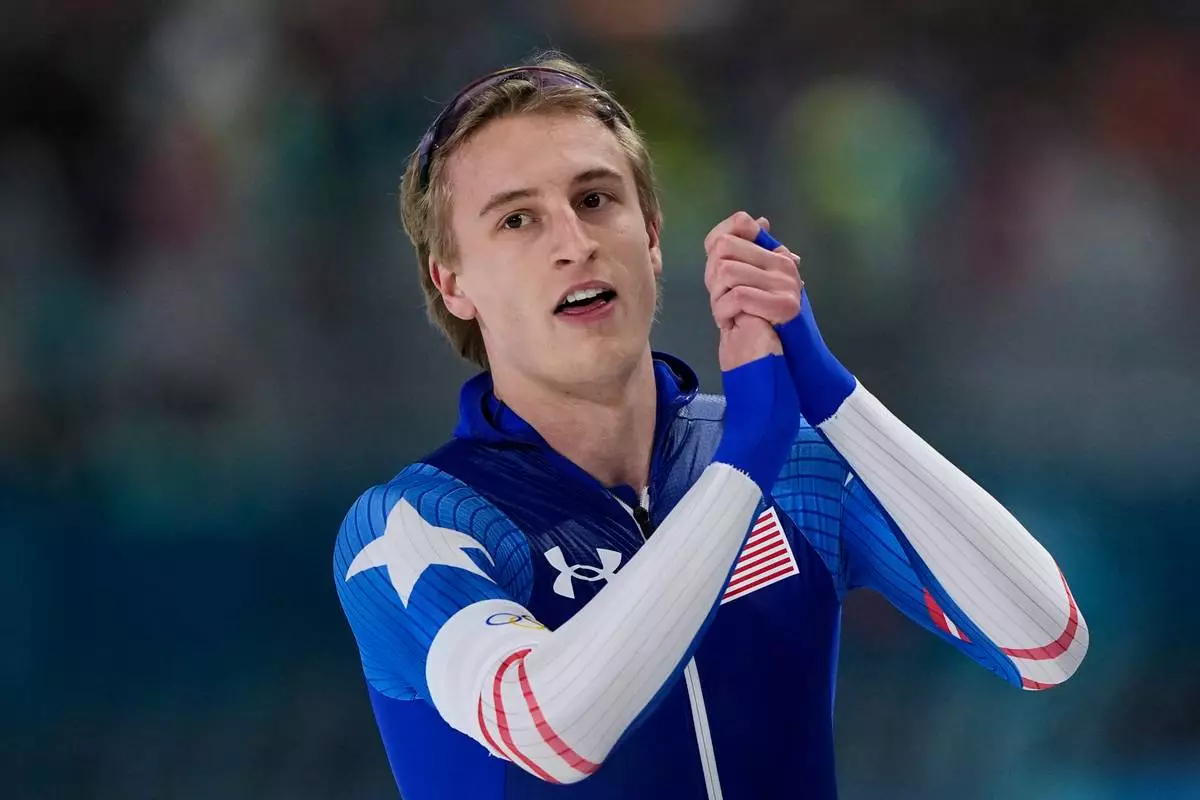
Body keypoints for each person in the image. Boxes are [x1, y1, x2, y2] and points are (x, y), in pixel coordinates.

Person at [333, 54, 1088, 799]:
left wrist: (835, 398)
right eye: (518, 219)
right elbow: (552, 730)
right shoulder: (414, 527)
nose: (574, 242)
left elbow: (1047, 642)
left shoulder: (798, 463)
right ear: (452, 280)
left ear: (653, 236)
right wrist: (744, 464)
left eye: (596, 200)